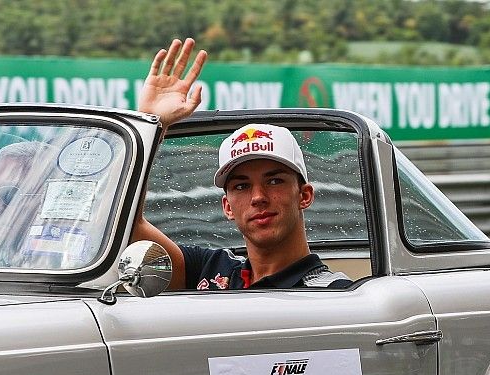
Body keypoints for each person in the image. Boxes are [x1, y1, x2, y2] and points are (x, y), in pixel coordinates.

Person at [132, 38, 350, 290]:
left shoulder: (334, 292)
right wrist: (151, 126)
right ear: (227, 206)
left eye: (274, 180)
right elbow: (127, 225)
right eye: (241, 186)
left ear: (304, 195)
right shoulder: (208, 269)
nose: (258, 197)